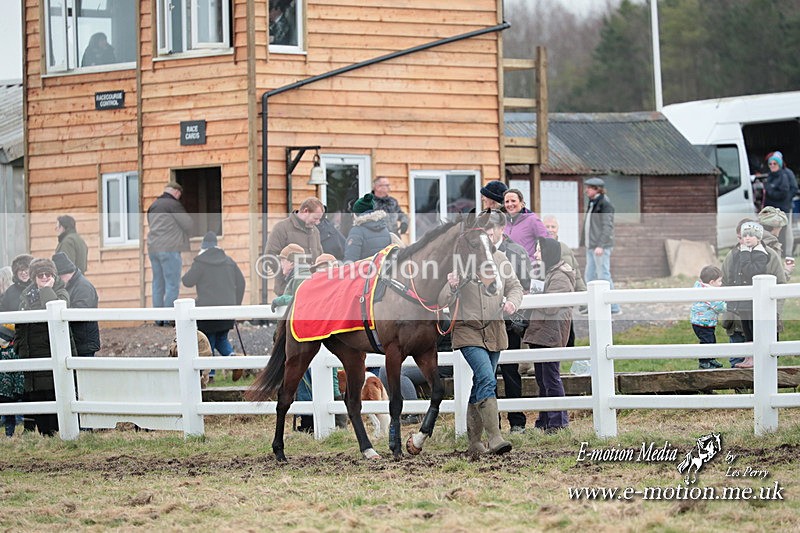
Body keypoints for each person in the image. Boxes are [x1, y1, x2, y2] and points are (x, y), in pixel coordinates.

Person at [439, 226, 524, 455]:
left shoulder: (500, 259)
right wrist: (452, 285)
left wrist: (512, 302)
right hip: (468, 331)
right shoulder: (459, 262)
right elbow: (442, 299)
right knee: (487, 377)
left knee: (480, 383)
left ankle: (474, 442)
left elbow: (515, 286)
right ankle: (495, 437)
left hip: (495, 330)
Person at [15, 258, 76, 436]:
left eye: (47, 274)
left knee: (54, 394)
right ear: (34, 277)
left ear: (53, 275)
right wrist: (20, 346)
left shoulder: (61, 292)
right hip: (32, 355)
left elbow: (55, 311)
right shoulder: (26, 295)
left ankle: (57, 434)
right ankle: (44, 435)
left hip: (51, 352)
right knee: (37, 397)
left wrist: (46, 290)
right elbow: (20, 325)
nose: (44, 277)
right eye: (40, 275)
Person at [486, 210, 531, 434]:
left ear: (501, 229)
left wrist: (516, 313)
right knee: (488, 373)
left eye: (490, 228)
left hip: (509, 320)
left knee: (511, 370)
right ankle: (493, 423)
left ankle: (517, 421)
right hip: (487, 322)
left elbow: (523, 284)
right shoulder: (477, 251)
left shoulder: (515, 251)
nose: (487, 232)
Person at [523, 237, 575, 433]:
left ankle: (558, 422)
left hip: (551, 333)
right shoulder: (548, 273)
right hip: (542, 332)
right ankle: (545, 421)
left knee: (551, 378)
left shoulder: (560, 276)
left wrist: (534, 298)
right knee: (542, 379)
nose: (536, 254)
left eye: (539, 250)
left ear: (548, 253)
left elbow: (552, 306)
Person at [182, 232, 246, 381]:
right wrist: (236, 304)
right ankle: (233, 360)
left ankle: (208, 375)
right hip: (227, 311)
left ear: (203, 247)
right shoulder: (229, 261)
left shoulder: (200, 262)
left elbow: (187, 281)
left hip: (207, 313)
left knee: (209, 341)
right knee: (221, 339)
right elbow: (241, 283)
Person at [721, 221, 784, 368]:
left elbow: (779, 283)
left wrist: (775, 313)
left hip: (761, 310)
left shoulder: (768, 255)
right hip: (736, 316)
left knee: (765, 359)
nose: (744, 240)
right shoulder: (733, 255)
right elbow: (726, 281)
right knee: (737, 360)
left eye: (748, 236)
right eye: (741, 237)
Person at [147, 182, 193, 325]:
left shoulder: (153, 205)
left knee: (157, 284)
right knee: (172, 284)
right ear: (177, 192)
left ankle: (158, 319)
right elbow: (188, 224)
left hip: (153, 249)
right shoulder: (173, 205)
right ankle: (168, 318)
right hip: (169, 249)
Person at [265, 197, 324, 296]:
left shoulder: (315, 232)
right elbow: (270, 256)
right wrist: (287, 274)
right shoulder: (281, 228)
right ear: (305, 211)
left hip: (311, 289)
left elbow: (319, 257)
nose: (318, 222)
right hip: (287, 290)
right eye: (315, 218)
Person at [580, 177, 620, 314]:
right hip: (592, 246)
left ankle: (614, 307)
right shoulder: (593, 203)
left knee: (604, 275)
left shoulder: (605, 204)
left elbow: (607, 227)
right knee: (589, 276)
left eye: (589, 188)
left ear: (597, 189)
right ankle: (592, 306)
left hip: (600, 247)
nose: (586, 190)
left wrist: (601, 245)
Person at [52, 252, 100, 358]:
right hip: (80, 341)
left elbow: (81, 313)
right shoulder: (74, 285)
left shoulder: (83, 287)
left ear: (62, 274)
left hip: (83, 342)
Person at [690, 265, 726, 370]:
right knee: (707, 342)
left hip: (700, 322)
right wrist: (730, 305)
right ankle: (704, 361)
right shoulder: (710, 293)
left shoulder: (700, 288)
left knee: (711, 340)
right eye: (719, 281)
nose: (721, 283)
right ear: (712, 282)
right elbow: (720, 307)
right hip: (703, 323)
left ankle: (710, 359)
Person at [763, 152, 797, 255]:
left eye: (775, 163)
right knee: (774, 230)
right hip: (774, 207)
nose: (772, 165)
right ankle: (776, 252)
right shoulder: (770, 175)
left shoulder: (787, 174)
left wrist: (786, 200)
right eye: (770, 163)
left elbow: (792, 189)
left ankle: (787, 253)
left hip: (785, 206)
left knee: (786, 230)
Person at [503, 189, 548, 263]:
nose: (510, 204)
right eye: (507, 202)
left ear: (521, 203)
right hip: (507, 267)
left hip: (527, 267)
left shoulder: (532, 219)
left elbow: (547, 242)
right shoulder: (503, 222)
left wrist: (533, 260)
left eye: (513, 201)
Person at [343, 193, 392, 263]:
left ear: (356, 214)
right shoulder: (385, 229)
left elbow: (350, 259)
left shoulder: (357, 231)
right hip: (381, 269)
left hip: (363, 269)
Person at [0, 322, 22, 436]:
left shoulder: (13, 351)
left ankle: (9, 434)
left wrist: (17, 390)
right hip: (5, 390)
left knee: (9, 415)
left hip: (8, 391)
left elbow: (18, 374)